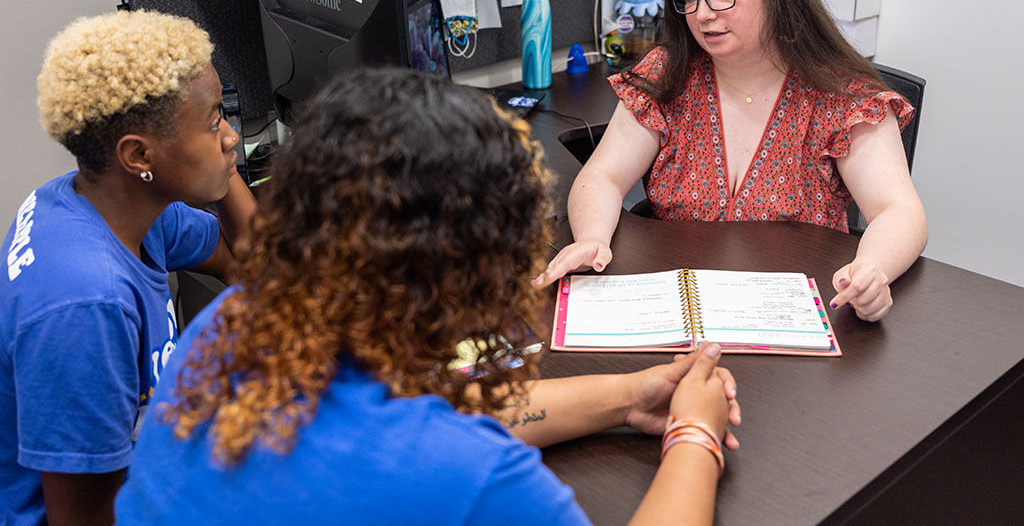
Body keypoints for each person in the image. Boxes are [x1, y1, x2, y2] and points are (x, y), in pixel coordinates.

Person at [115, 68, 741, 526]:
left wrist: (629, 397)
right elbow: (442, 440)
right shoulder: (464, 475)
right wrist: (695, 432)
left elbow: (449, 406)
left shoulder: (234, 322)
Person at [537, 0, 927, 322]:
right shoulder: (667, 75)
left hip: (788, 316)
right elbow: (603, 176)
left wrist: (871, 271)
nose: (703, 14)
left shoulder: (842, 96)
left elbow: (899, 211)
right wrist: (592, 239)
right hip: (679, 306)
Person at [0, 10, 256, 526]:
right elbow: (85, 520)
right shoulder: (87, 303)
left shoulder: (110, 206)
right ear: (139, 156)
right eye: (214, 124)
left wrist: (219, 158)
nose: (231, 136)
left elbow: (253, 263)